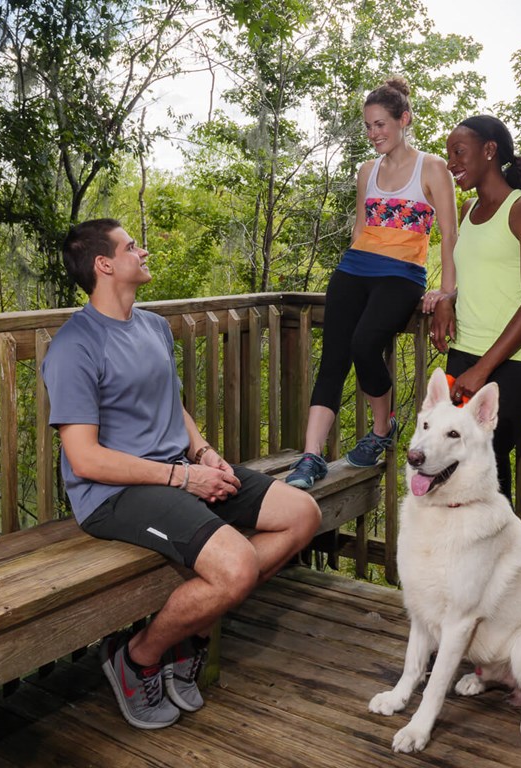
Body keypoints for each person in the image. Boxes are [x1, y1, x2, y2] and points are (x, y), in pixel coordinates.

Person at [41, 219, 321, 730]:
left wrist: (203, 452)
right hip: (115, 493)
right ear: (104, 265)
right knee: (235, 568)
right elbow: (84, 459)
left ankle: (189, 636)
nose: (142, 251)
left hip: (178, 471)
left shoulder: (150, 325)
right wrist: (182, 480)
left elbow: (173, 405)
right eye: (131, 247)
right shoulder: (74, 346)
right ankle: (137, 658)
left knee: (301, 513)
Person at [285, 77, 458, 489]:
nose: (373, 133)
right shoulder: (367, 171)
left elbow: (450, 236)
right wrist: (348, 274)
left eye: (380, 124)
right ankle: (311, 457)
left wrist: (448, 292)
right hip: (354, 270)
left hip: (401, 275)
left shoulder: (432, 168)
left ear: (404, 120)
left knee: (365, 345)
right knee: (333, 362)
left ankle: (383, 429)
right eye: (368, 125)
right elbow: (359, 230)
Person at [431, 115, 521, 501]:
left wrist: (483, 370)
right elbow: (477, 277)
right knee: (454, 462)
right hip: (465, 353)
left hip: (514, 362)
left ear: (489, 151)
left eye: (459, 152)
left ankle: (500, 559)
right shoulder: (467, 211)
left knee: (488, 463)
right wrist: (448, 299)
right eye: (449, 154)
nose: (451, 163)